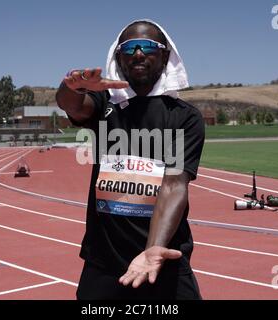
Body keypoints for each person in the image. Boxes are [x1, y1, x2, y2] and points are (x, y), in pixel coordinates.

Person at [56, 19, 205, 300]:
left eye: (148, 46)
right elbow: (71, 104)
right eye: (129, 47)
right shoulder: (103, 106)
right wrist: (70, 87)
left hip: (163, 258)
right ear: (118, 58)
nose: (138, 53)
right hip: (104, 262)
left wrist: (153, 248)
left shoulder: (183, 116)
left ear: (164, 56)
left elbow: (174, 184)